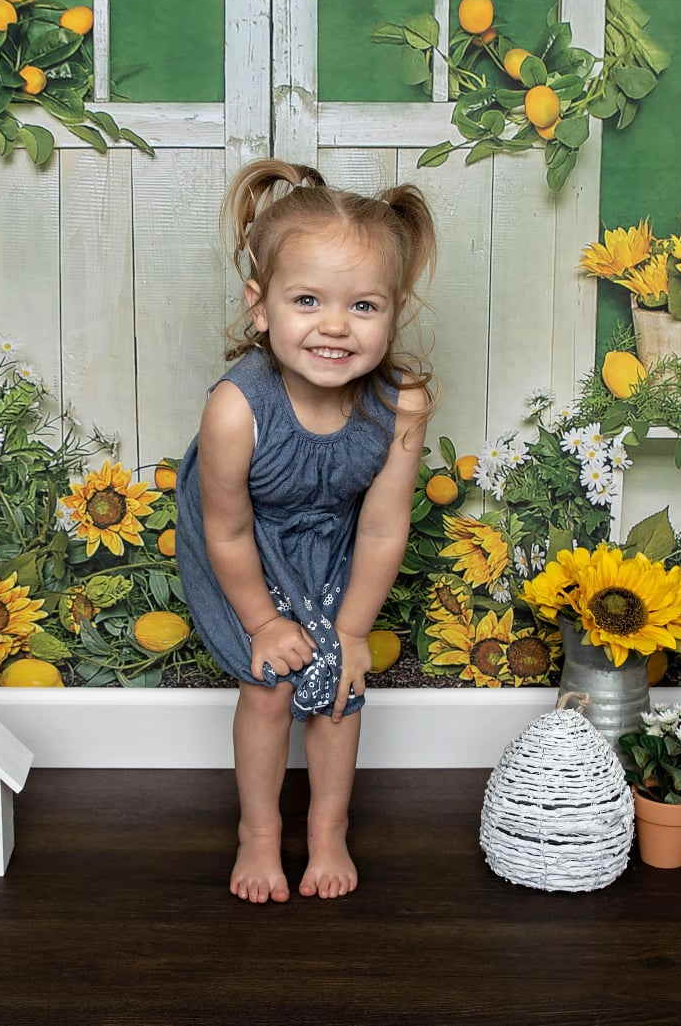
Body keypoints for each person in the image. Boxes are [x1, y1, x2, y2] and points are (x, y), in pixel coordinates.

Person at [175, 157, 439, 903]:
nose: (334, 325)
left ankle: (328, 828)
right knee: (269, 683)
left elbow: (384, 527)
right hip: (240, 548)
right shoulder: (235, 408)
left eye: (363, 306)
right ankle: (258, 832)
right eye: (307, 300)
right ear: (259, 307)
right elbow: (224, 529)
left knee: (335, 683)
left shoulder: (401, 402)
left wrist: (351, 630)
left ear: (394, 309)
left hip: (333, 540)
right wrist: (262, 621)